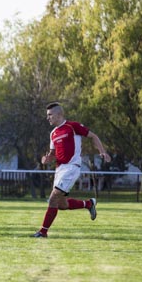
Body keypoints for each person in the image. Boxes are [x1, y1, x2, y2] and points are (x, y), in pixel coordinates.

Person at [32, 102, 111, 238]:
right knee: (61, 204)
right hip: (59, 170)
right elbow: (53, 153)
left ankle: (43, 232)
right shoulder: (53, 133)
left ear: (59, 114)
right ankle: (89, 204)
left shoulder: (72, 126)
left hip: (71, 168)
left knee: (53, 198)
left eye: (50, 115)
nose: (48, 118)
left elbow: (93, 136)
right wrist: (47, 158)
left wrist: (102, 151)